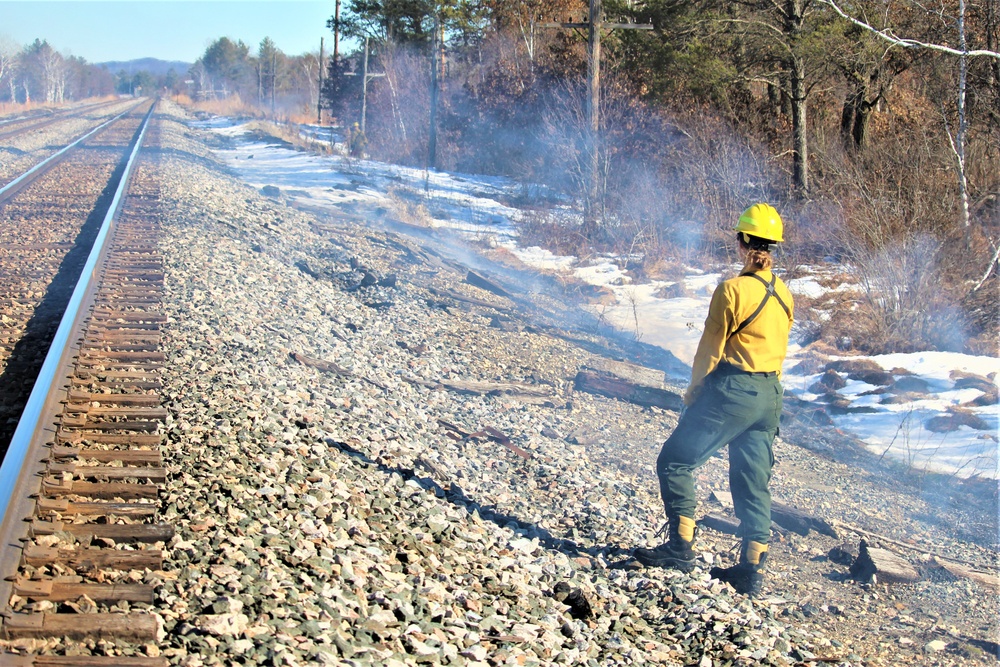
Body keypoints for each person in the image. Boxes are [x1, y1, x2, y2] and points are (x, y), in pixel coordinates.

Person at [633, 203, 794, 596]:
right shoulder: (786, 295)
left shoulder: (732, 290)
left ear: (741, 242)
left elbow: (710, 351)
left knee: (674, 460)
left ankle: (680, 548)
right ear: (774, 246)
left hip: (732, 390)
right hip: (770, 396)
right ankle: (750, 570)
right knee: (752, 481)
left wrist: (694, 391)